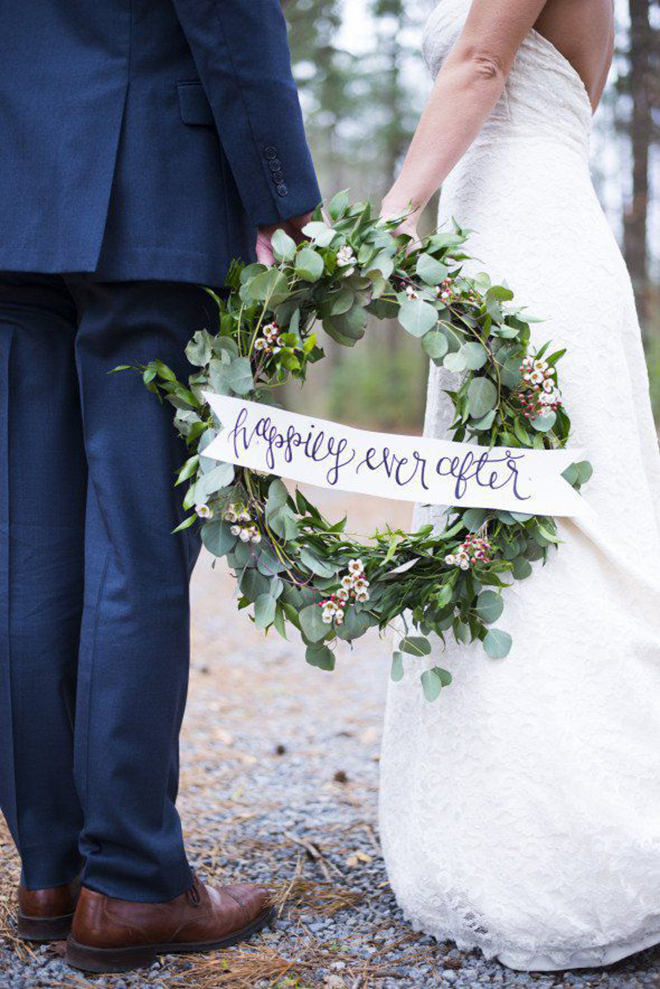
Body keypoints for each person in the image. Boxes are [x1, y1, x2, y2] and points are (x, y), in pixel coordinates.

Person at [0, 0, 320, 975]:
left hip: (16, 177)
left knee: (26, 542)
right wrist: (282, 191)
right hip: (147, 182)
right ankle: (133, 882)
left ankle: (52, 871)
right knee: (135, 539)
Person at [379, 0, 660, 971]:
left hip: (527, 241)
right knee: (487, 522)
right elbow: (568, 85)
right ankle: (487, 823)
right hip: (492, 235)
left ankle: (589, 840)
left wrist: (390, 214)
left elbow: (480, 67)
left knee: (556, 521)